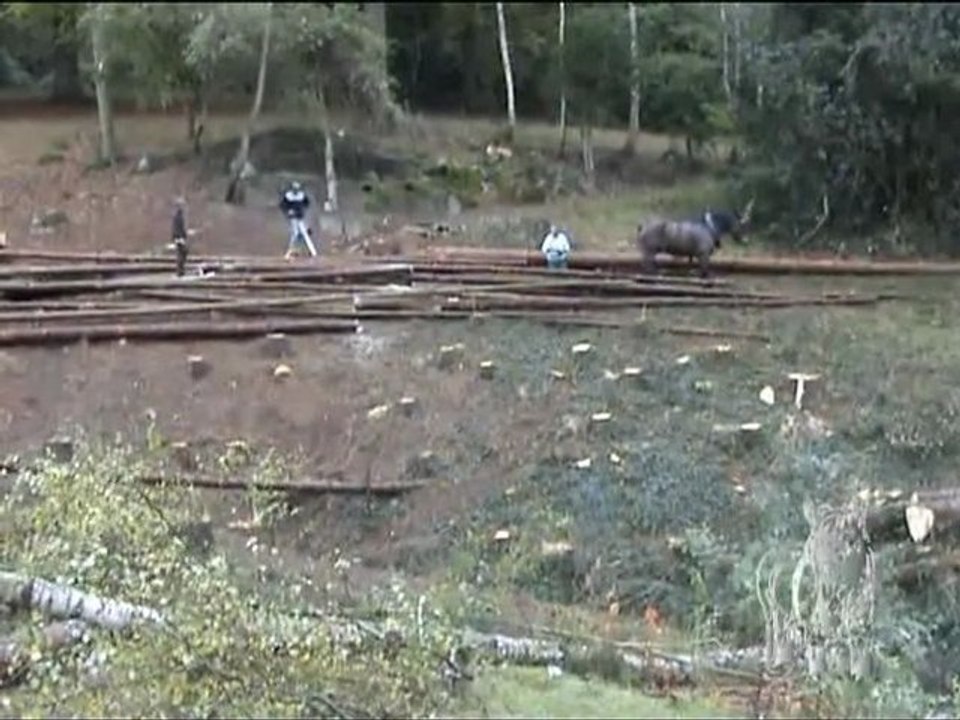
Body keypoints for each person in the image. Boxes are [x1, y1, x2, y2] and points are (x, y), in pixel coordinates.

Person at [279, 181, 317, 259]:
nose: (296, 190)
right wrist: (288, 211)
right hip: (293, 217)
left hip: (300, 217)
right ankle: (291, 252)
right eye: (294, 189)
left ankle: (312, 251)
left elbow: (307, 203)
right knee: (296, 233)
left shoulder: (301, 195)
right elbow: (283, 205)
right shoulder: (288, 196)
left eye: (297, 189)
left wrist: (303, 210)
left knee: (303, 233)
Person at [171, 197, 188, 277]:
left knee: (183, 253)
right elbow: (176, 228)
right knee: (181, 254)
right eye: (182, 205)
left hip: (180, 237)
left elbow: (181, 228)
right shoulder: (177, 216)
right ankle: (180, 272)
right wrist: (179, 238)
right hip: (179, 238)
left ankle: (181, 271)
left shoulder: (180, 215)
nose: (183, 207)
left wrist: (186, 234)